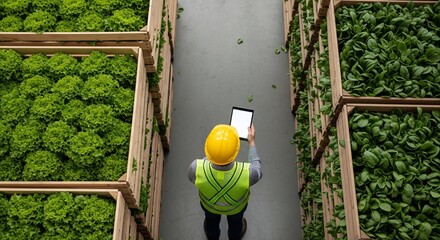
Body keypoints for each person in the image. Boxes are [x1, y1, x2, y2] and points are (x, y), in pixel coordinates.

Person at [188, 124, 262, 240]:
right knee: (236, 223)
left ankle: (212, 235)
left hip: (209, 206)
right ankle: (234, 236)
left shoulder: (196, 167)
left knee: (210, 221)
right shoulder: (247, 173)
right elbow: (258, 170)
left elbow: (191, 178)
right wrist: (251, 143)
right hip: (236, 208)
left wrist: (215, 154)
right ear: (235, 152)